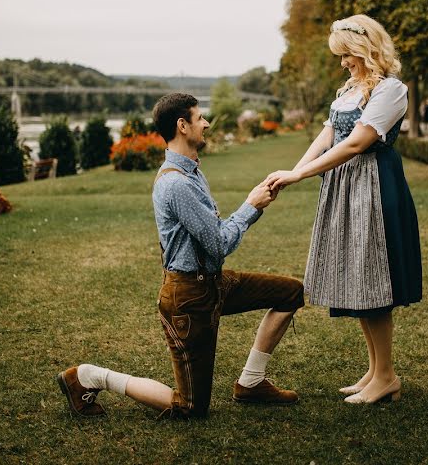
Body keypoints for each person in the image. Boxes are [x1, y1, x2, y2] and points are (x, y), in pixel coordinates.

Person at [57, 93, 304, 419]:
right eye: (200, 117)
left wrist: (252, 206)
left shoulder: (192, 172)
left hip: (215, 282)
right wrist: (251, 205)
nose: (206, 123)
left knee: (291, 292)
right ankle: (89, 376)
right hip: (189, 298)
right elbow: (219, 244)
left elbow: (213, 234)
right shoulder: (177, 183)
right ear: (182, 125)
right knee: (189, 407)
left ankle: (251, 382)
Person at [265, 14, 423, 405]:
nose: (342, 63)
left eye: (346, 54)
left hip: (372, 188)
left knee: (373, 282)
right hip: (346, 188)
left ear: (364, 49)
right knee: (358, 278)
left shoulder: (391, 90)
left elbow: (357, 143)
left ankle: (386, 376)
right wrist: (296, 170)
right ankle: (375, 371)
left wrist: (299, 177)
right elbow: (330, 132)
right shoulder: (352, 88)